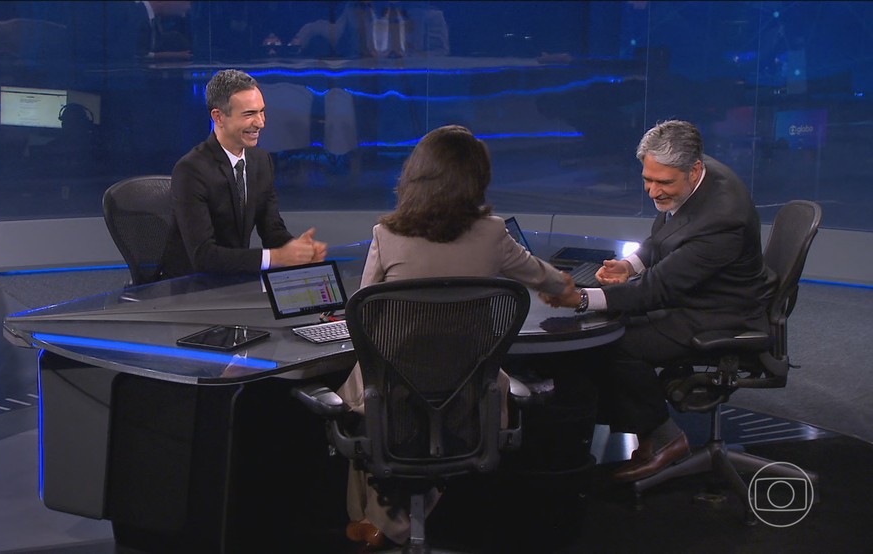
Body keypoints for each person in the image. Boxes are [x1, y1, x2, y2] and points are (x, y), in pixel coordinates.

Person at [336, 124, 575, 547]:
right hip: (468, 404)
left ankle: (381, 524)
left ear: (416, 176)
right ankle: (394, 526)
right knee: (421, 426)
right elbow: (542, 276)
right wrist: (567, 289)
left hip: (396, 401)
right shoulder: (493, 233)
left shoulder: (387, 235)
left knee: (368, 407)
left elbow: (363, 312)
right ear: (475, 181)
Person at [544, 120, 775, 482]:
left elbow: (656, 291)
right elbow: (669, 231)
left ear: (694, 170)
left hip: (720, 312)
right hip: (698, 293)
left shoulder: (722, 220)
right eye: (647, 180)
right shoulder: (691, 173)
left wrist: (580, 298)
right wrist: (630, 263)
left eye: (663, 183)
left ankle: (664, 438)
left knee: (617, 342)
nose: (653, 191)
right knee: (610, 327)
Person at [159, 69, 327, 278]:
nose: (260, 123)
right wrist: (276, 258)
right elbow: (203, 256)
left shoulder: (260, 161)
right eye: (249, 114)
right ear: (218, 117)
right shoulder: (191, 171)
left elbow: (272, 230)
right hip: (189, 290)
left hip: (236, 279)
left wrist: (299, 251)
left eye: (261, 111)